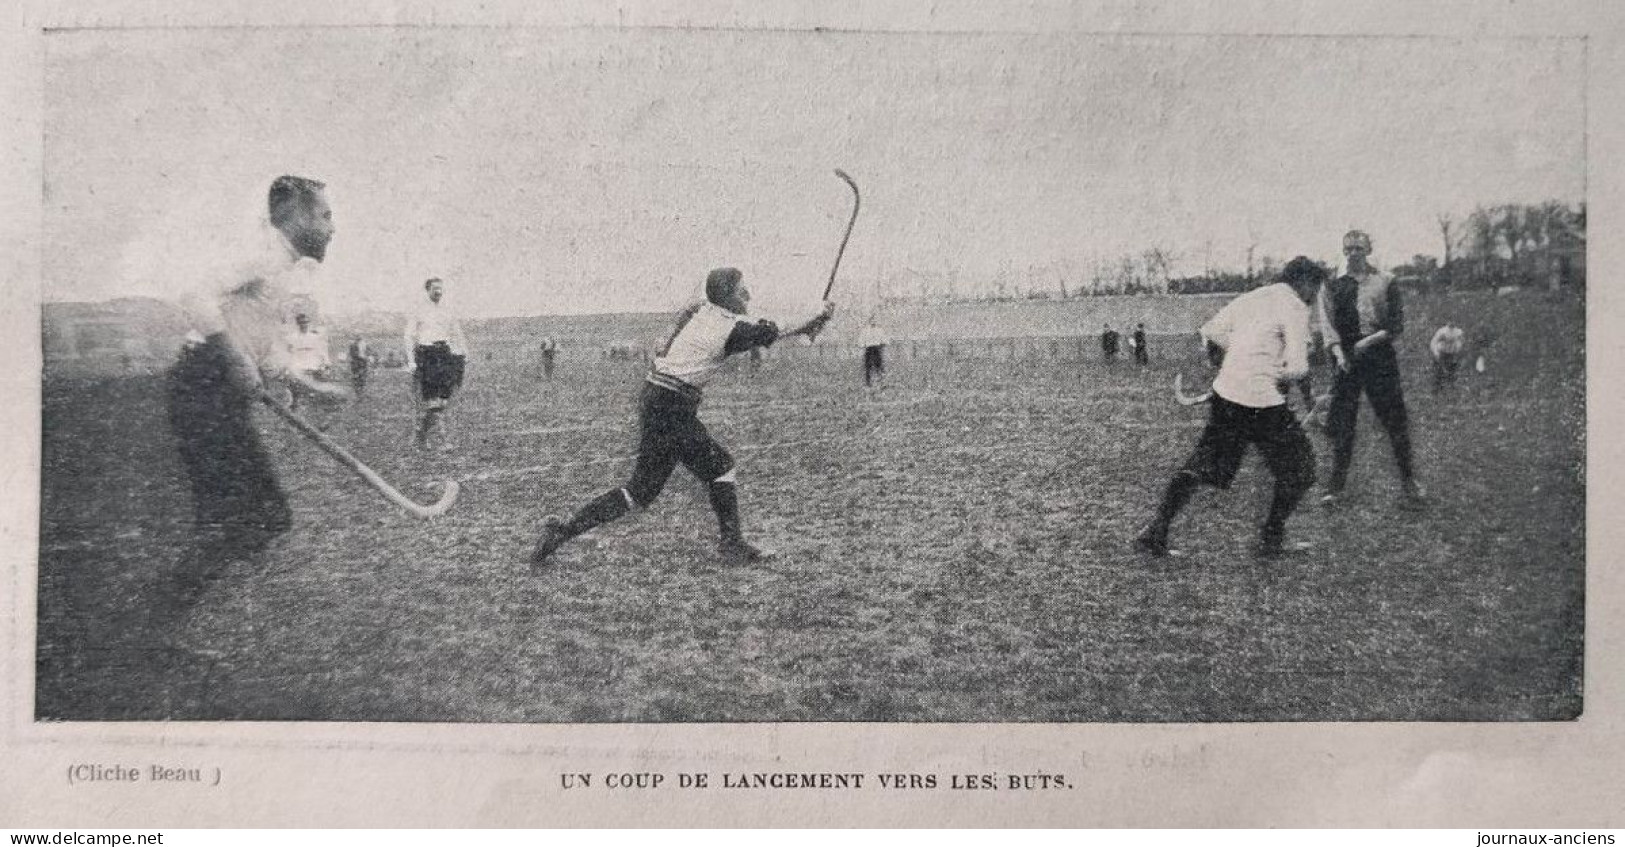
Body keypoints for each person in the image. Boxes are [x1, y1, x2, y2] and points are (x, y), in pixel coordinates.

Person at [530, 267, 835, 569]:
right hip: (671, 406)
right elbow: (770, 330)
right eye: (743, 289)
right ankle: (732, 544)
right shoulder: (728, 329)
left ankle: (563, 532)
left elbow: (763, 327)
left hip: (658, 398)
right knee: (719, 467)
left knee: (640, 491)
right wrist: (815, 314)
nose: (749, 294)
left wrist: (807, 326)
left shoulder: (703, 312)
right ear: (728, 295)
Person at [164, 174, 348, 605]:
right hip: (201, 382)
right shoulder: (262, 254)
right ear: (294, 217)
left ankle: (169, 614)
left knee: (260, 518)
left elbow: (263, 347)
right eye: (324, 215)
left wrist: (308, 385)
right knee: (249, 517)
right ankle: (161, 617)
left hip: (214, 389)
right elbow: (194, 295)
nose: (331, 227)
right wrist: (230, 354)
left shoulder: (282, 272)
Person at [1135, 257, 1326, 558]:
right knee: (1302, 470)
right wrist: (1275, 371)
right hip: (1262, 401)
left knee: (1203, 466)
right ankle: (1271, 538)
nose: (1315, 296)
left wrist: (1237, 363)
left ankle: (1156, 529)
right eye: (1315, 287)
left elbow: (1211, 332)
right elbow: (1299, 368)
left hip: (1227, 393)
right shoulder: (1295, 307)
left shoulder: (1253, 297)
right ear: (1304, 281)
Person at [1316, 230, 1425, 508]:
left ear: (1368, 250)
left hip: (1379, 356)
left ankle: (1409, 481)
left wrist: (1369, 341)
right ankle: (1335, 488)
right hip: (1347, 359)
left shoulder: (1386, 281)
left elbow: (1396, 324)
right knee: (1344, 424)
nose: (1353, 253)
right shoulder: (1332, 284)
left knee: (1395, 421)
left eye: (1359, 248)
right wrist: (1339, 355)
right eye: (1349, 248)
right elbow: (1328, 327)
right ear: (1343, 252)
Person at [404, 277, 470, 449]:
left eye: (441, 289)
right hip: (426, 354)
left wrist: (464, 350)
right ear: (428, 290)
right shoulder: (418, 310)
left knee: (442, 402)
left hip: (444, 353)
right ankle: (443, 440)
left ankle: (421, 434)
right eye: (435, 289)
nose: (438, 292)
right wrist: (411, 361)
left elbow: (457, 331)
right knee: (433, 402)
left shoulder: (447, 310)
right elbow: (409, 336)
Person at [282, 312, 331, 413]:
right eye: (301, 323)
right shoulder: (292, 337)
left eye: (305, 322)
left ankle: (314, 410)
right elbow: (288, 352)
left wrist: (326, 363)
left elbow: (322, 350)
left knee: (314, 389)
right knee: (296, 388)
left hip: (312, 364)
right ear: (298, 324)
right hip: (298, 364)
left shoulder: (314, 337)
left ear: (308, 323)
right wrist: (288, 366)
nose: (304, 325)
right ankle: (296, 408)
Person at [1430, 323, 1466, 393]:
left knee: (1452, 373)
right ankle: (1437, 390)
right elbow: (1434, 342)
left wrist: (1458, 351)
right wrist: (1436, 353)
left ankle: (1451, 391)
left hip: (1452, 355)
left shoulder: (1459, 332)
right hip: (1442, 354)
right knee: (1439, 373)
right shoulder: (1442, 331)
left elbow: (1462, 342)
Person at [859, 316, 888, 387]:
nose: (873, 322)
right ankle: (868, 382)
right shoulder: (865, 330)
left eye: (875, 320)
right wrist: (864, 345)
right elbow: (861, 341)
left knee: (879, 365)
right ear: (869, 321)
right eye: (872, 320)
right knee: (868, 366)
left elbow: (885, 340)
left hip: (877, 348)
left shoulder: (880, 330)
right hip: (869, 349)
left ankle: (881, 382)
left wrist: (881, 345)